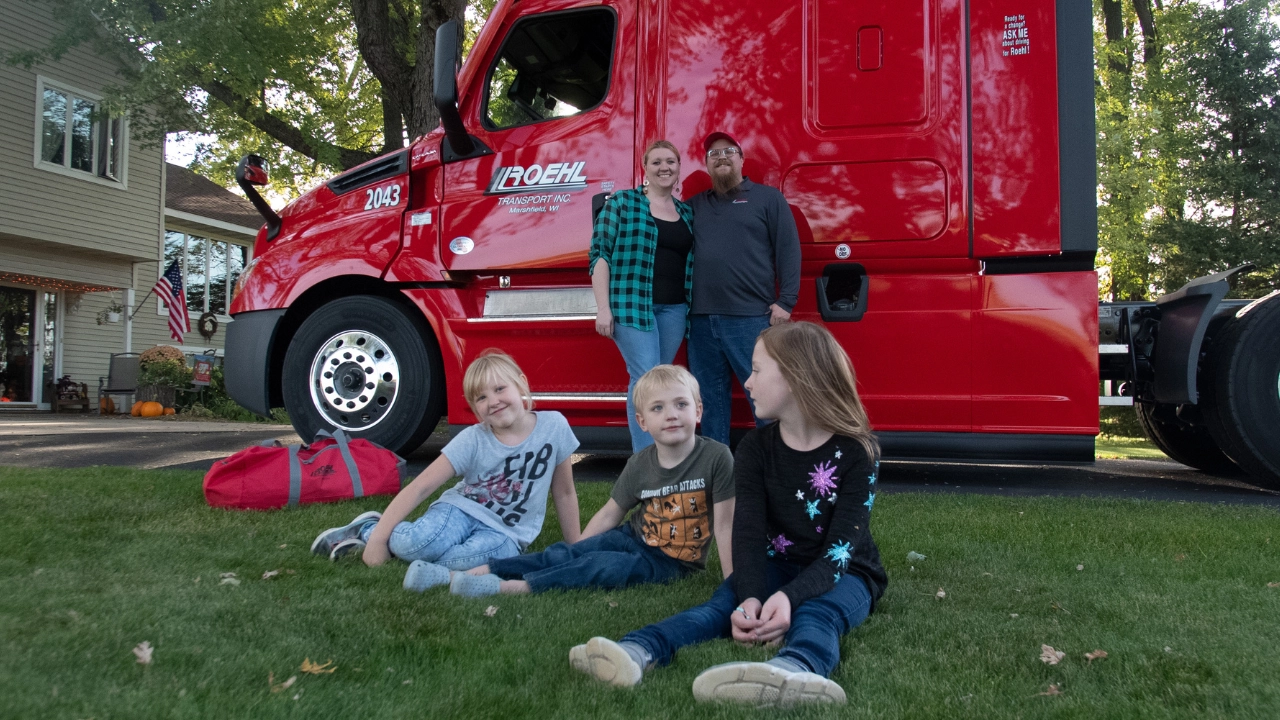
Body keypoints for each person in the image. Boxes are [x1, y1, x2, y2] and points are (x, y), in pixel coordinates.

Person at [569, 322, 887, 708]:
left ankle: (796, 669)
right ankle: (638, 650)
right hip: (777, 562)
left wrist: (787, 598)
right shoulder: (754, 447)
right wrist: (751, 596)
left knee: (819, 613)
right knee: (722, 607)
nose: (747, 382)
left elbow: (839, 551)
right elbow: (748, 533)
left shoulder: (858, 451)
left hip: (848, 571)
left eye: (756, 370)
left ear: (795, 376)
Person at [442, 365, 735, 597]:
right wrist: (579, 546)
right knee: (567, 554)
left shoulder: (716, 457)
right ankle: (483, 570)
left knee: (601, 567)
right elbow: (611, 512)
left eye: (680, 404)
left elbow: (725, 525)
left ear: (697, 410)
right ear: (642, 422)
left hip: (669, 561)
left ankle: (514, 588)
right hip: (632, 537)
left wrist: (734, 585)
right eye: (657, 408)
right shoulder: (640, 463)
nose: (670, 415)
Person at [310, 351, 582, 585]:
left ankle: (395, 545)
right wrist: (378, 541)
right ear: (475, 408)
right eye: (481, 397)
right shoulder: (474, 439)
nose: (493, 401)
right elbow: (421, 486)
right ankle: (369, 529)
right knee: (419, 544)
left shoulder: (554, 427)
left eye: (500, 389)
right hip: (460, 510)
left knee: (464, 562)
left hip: (505, 534)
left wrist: (577, 548)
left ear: (521, 385)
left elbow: (565, 493)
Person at [687, 130, 801, 446]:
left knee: (764, 398)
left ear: (741, 159)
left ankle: (775, 463)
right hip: (700, 322)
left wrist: (786, 301)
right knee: (709, 401)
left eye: (728, 152)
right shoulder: (694, 205)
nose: (721, 157)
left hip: (750, 319)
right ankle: (718, 469)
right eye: (714, 154)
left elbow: (789, 250)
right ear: (707, 166)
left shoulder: (768, 199)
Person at [590, 140, 696, 452]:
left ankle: (663, 449)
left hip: (674, 309)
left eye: (671, 162)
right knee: (645, 377)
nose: (664, 167)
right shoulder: (623, 203)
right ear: (644, 168)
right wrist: (603, 308)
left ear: (678, 169)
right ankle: (645, 459)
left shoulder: (686, 213)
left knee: (660, 381)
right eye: (657, 162)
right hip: (632, 306)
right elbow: (600, 255)